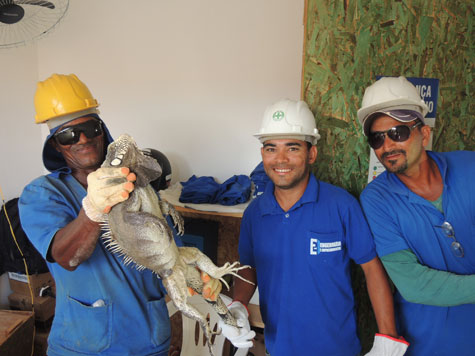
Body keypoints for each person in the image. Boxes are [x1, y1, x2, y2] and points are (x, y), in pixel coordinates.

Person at [18, 73, 221, 356]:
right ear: (55, 144)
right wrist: (92, 210)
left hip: (149, 340)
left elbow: (166, 246)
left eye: (90, 127)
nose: (83, 139)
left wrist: (192, 272)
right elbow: (66, 257)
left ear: (102, 130)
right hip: (84, 345)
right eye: (68, 134)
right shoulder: (42, 194)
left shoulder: (136, 184)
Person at [219, 99, 409, 356]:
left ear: (312, 154)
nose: (280, 159)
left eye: (292, 148)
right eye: (271, 148)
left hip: (337, 349)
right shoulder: (255, 213)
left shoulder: (341, 205)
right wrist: (238, 304)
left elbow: (372, 268)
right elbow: (249, 268)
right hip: (279, 348)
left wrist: (388, 337)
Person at [357, 76, 475, 356]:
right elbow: (413, 284)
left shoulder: (470, 167)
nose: (387, 146)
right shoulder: (376, 199)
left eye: (398, 132)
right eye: (377, 138)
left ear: (424, 134)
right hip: (431, 343)